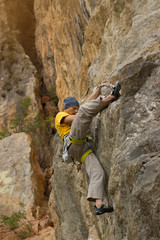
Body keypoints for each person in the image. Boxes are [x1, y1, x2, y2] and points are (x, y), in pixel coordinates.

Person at [55, 82, 121, 215]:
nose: (75, 110)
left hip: (82, 149)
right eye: (73, 108)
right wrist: (100, 99)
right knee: (84, 111)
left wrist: (98, 90)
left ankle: (99, 205)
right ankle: (111, 97)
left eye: (76, 108)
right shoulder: (60, 115)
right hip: (73, 141)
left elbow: (84, 106)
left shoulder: (77, 111)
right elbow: (80, 114)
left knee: (98, 173)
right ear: (66, 109)